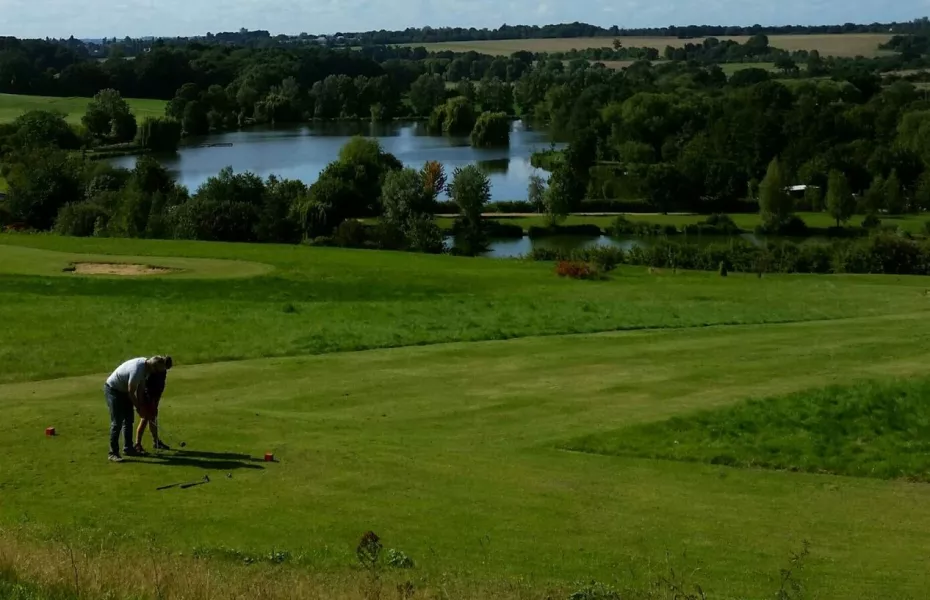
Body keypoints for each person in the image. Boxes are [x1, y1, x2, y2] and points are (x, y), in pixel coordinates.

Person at [103, 356, 168, 463]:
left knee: (129, 420)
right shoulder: (137, 370)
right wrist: (138, 407)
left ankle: (128, 448)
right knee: (117, 422)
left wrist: (141, 406)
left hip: (124, 391)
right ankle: (113, 453)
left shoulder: (146, 368)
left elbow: (140, 389)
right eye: (156, 370)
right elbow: (131, 391)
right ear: (153, 367)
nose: (156, 373)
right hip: (113, 390)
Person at [135, 356, 173, 452]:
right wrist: (149, 400)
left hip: (155, 398)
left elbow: (160, 386)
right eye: (165, 368)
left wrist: (156, 400)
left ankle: (156, 442)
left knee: (153, 419)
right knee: (145, 419)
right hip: (147, 397)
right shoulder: (152, 371)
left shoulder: (162, 371)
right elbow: (145, 386)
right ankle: (137, 444)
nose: (165, 370)